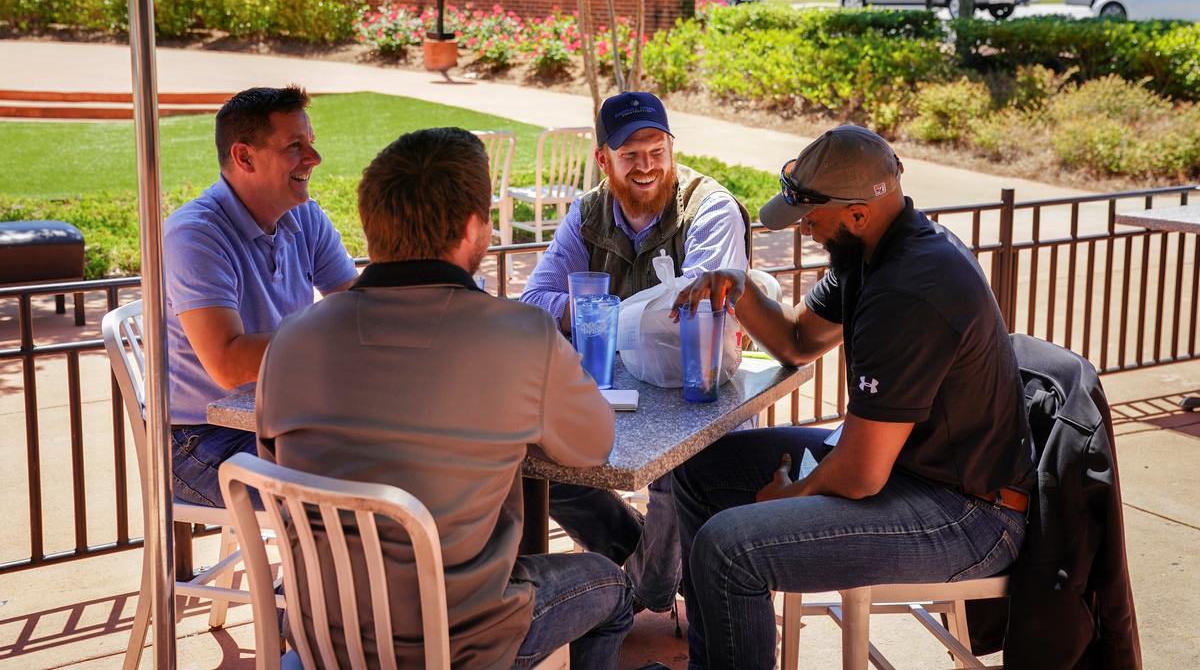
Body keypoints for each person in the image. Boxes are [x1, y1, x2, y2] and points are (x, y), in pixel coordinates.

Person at [256, 127, 633, 668]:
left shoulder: (291, 339)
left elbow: (277, 467)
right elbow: (594, 445)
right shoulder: (519, 335)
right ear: (473, 228)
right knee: (611, 587)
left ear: (370, 224)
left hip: (321, 633)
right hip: (461, 642)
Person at [670, 124, 1035, 670]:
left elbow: (862, 473)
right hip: (909, 470)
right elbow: (798, 340)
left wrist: (790, 498)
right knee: (700, 470)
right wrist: (737, 287)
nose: (804, 230)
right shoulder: (870, 252)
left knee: (731, 548)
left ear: (858, 214)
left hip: (967, 514)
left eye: (811, 220)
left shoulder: (910, 289)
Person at [520, 91, 751, 613]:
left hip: (697, 395)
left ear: (672, 148)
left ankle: (638, 591)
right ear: (604, 160)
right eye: (630, 155)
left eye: (656, 151)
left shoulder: (711, 208)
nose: (646, 166)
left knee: (678, 472)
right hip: (613, 391)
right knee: (535, 465)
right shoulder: (588, 212)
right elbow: (533, 300)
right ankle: (641, 554)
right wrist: (625, 315)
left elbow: (694, 308)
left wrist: (596, 312)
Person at [163, 86, 357, 508]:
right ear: (244, 157)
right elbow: (228, 364)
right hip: (197, 438)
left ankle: (330, 576)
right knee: (345, 489)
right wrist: (333, 333)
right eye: (294, 146)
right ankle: (305, 578)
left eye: (311, 144)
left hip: (281, 419)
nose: (314, 158)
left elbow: (355, 302)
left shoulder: (302, 214)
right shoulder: (195, 234)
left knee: (399, 461)